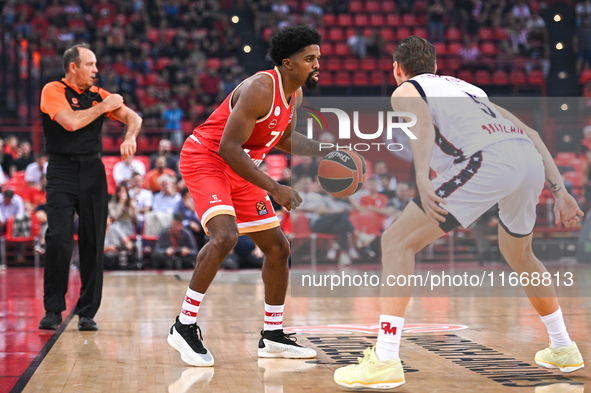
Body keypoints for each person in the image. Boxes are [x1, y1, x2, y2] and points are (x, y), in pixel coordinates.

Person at [334, 36, 585, 389]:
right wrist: (561, 192)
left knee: (395, 242)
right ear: (436, 67)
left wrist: (421, 177)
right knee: (520, 254)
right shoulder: (469, 90)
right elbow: (529, 132)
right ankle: (563, 347)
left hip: (487, 159)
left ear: (397, 69)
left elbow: (420, 127)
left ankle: (385, 359)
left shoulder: (406, 89)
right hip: (527, 158)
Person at [168, 25, 330, 367]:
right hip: (208, 159)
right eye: (309, 58)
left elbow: (282, 138)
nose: (317, 64)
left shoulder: (294, 94)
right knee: (225, 235)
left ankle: (272, 335)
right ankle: (183, 326)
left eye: (318, 57)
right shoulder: (260, 88)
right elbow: (228, 147)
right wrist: (275, 187)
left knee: (278, 247)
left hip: (242, 165)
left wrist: (325, 151)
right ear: (288, 63)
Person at [38, 43, 142, 331]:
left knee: (93, 241)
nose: (96, 70)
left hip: (93, 170)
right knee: (58, 237)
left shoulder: (98, 95)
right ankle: (53, 309)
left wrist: (128, 137)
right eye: (90, 65)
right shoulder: (53, 90)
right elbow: (70, 123)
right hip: (61, 170)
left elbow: (134, 117)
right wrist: (104, 107)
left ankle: (87, 312)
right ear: (73, 67)